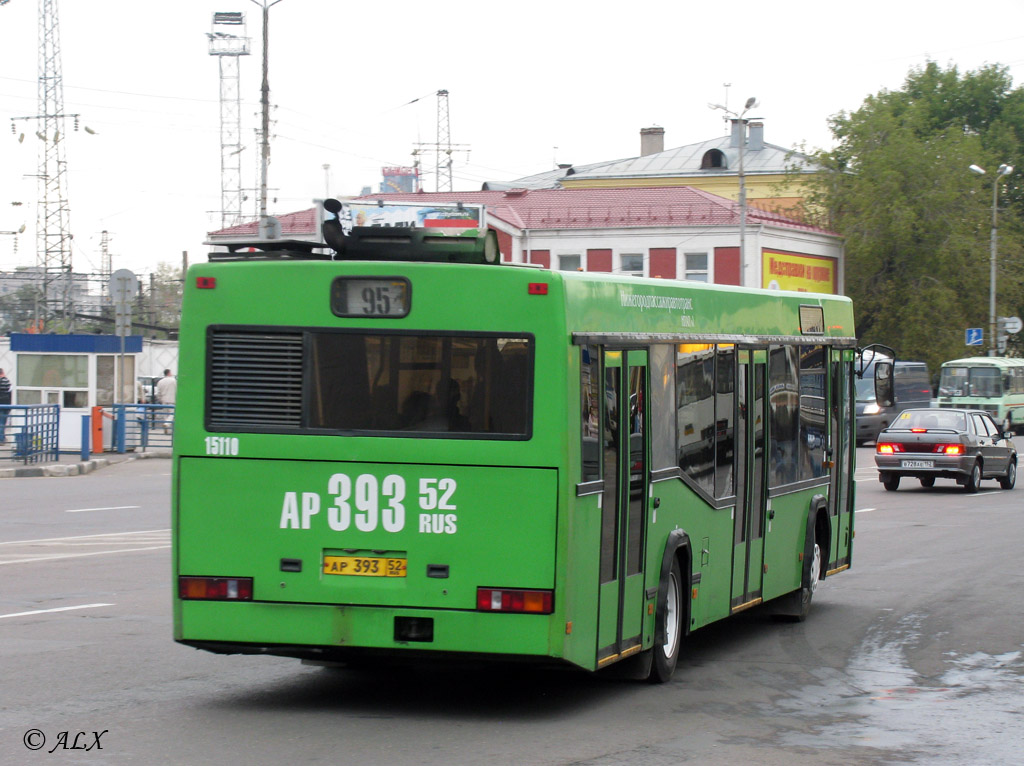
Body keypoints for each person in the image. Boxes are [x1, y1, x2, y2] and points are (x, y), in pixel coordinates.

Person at [156, 369, 177, 434]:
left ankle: (166, 429)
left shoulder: (160, 382)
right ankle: (167, 424)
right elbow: (177, 390)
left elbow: (158, 392)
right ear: (169, 373)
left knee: (165, 415)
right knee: (172, 414)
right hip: (172, 400)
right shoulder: (174, 381)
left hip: (164, 400)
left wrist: (160, 399)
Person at [0, 368, 11, 444]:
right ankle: (2, 438)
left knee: (1, 422)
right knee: (3, 422)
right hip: (6, 404)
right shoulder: (7, 381)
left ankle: (1, 438)